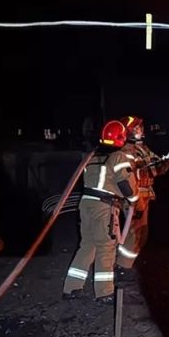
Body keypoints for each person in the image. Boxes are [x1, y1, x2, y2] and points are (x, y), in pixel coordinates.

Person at [63, 120, 139, 303]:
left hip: (85, 204)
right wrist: (134, 200)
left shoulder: (92, 156)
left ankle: (71, 288)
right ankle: (104, 293)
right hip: (104, 206)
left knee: (87, 245)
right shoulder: (118, 157)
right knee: (106, 247)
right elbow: (125, 185)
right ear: (121, 138)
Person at [116, 115, 169, 268]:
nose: (139, 130)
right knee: (133, 234)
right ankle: (123, 267)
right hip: (133, 197)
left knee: (142, 233)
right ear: (126, 132)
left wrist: (166, 162)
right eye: (135, 128)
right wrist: (154, 165)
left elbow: (155, 167)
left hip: (145, 195)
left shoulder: (143, 148)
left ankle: (130, 265)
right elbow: (139, 169)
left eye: (140, 127)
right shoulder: (125, 151)